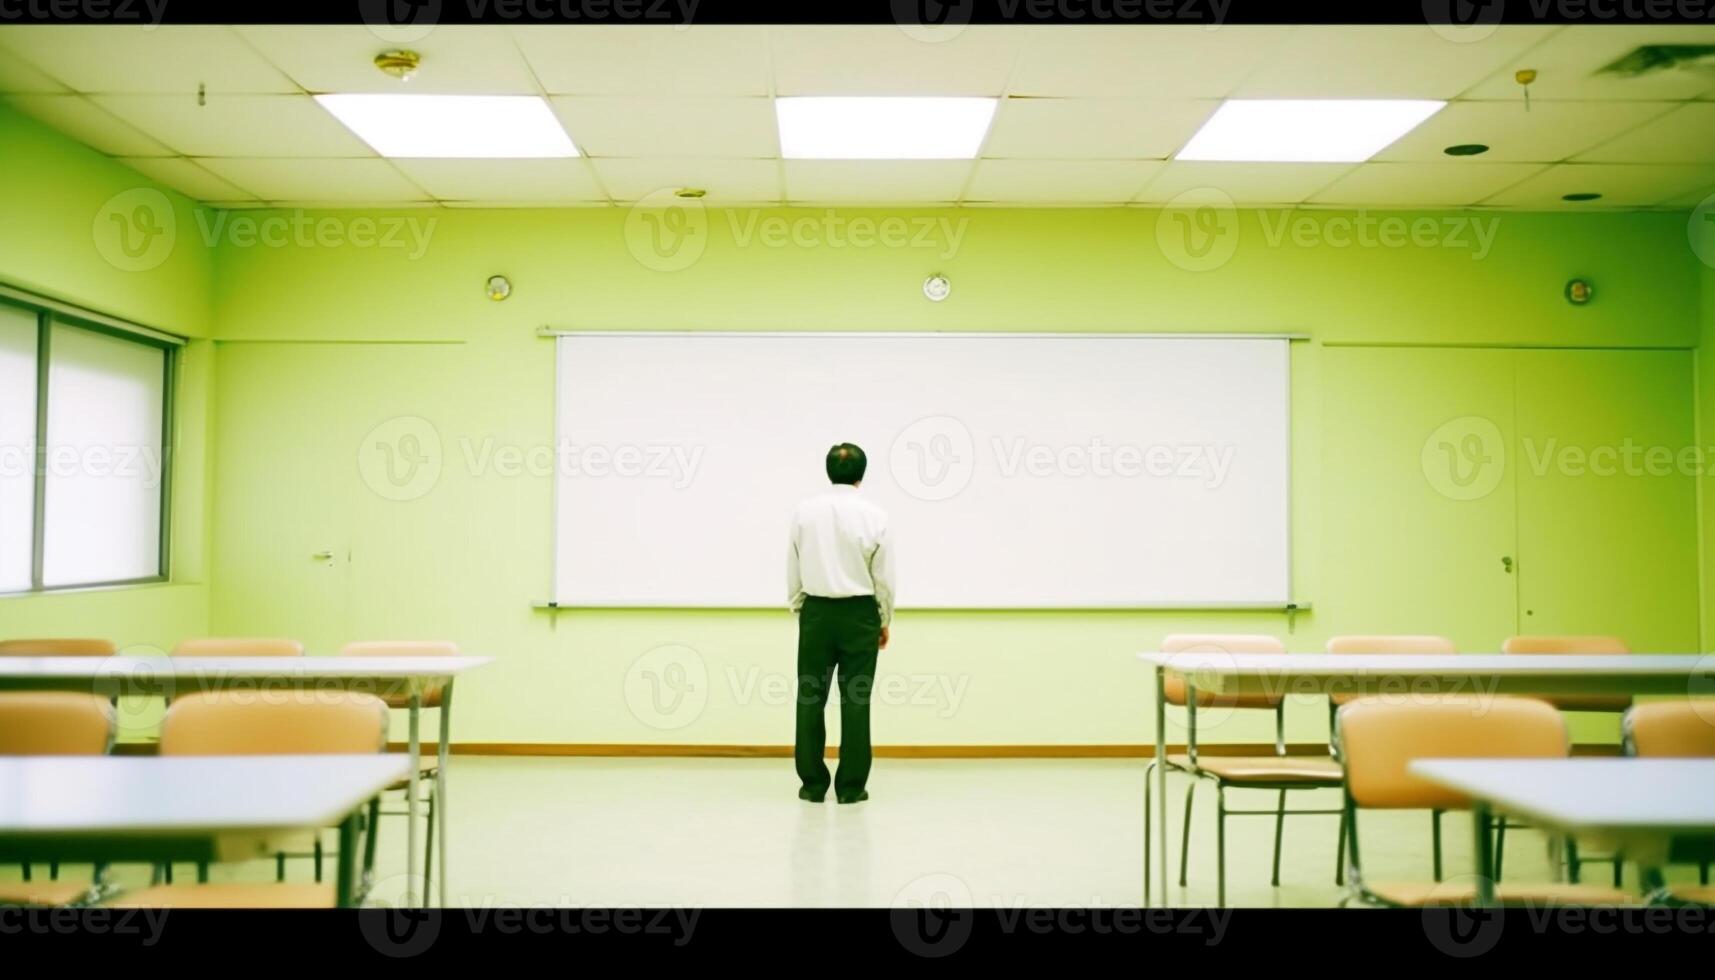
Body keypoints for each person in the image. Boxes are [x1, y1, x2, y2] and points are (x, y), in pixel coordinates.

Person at [786, 442, 896, 804]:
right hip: (860, 614)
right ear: (861, 476)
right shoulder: (875, 516)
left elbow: (794, 564)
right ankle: (851, 788)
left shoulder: (804, 513)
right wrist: (883, 618)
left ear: (828, 471)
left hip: (817, 612)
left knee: (810, 698)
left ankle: (812, 785)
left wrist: (801, 608)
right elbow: (884, 577)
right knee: (856, 700)